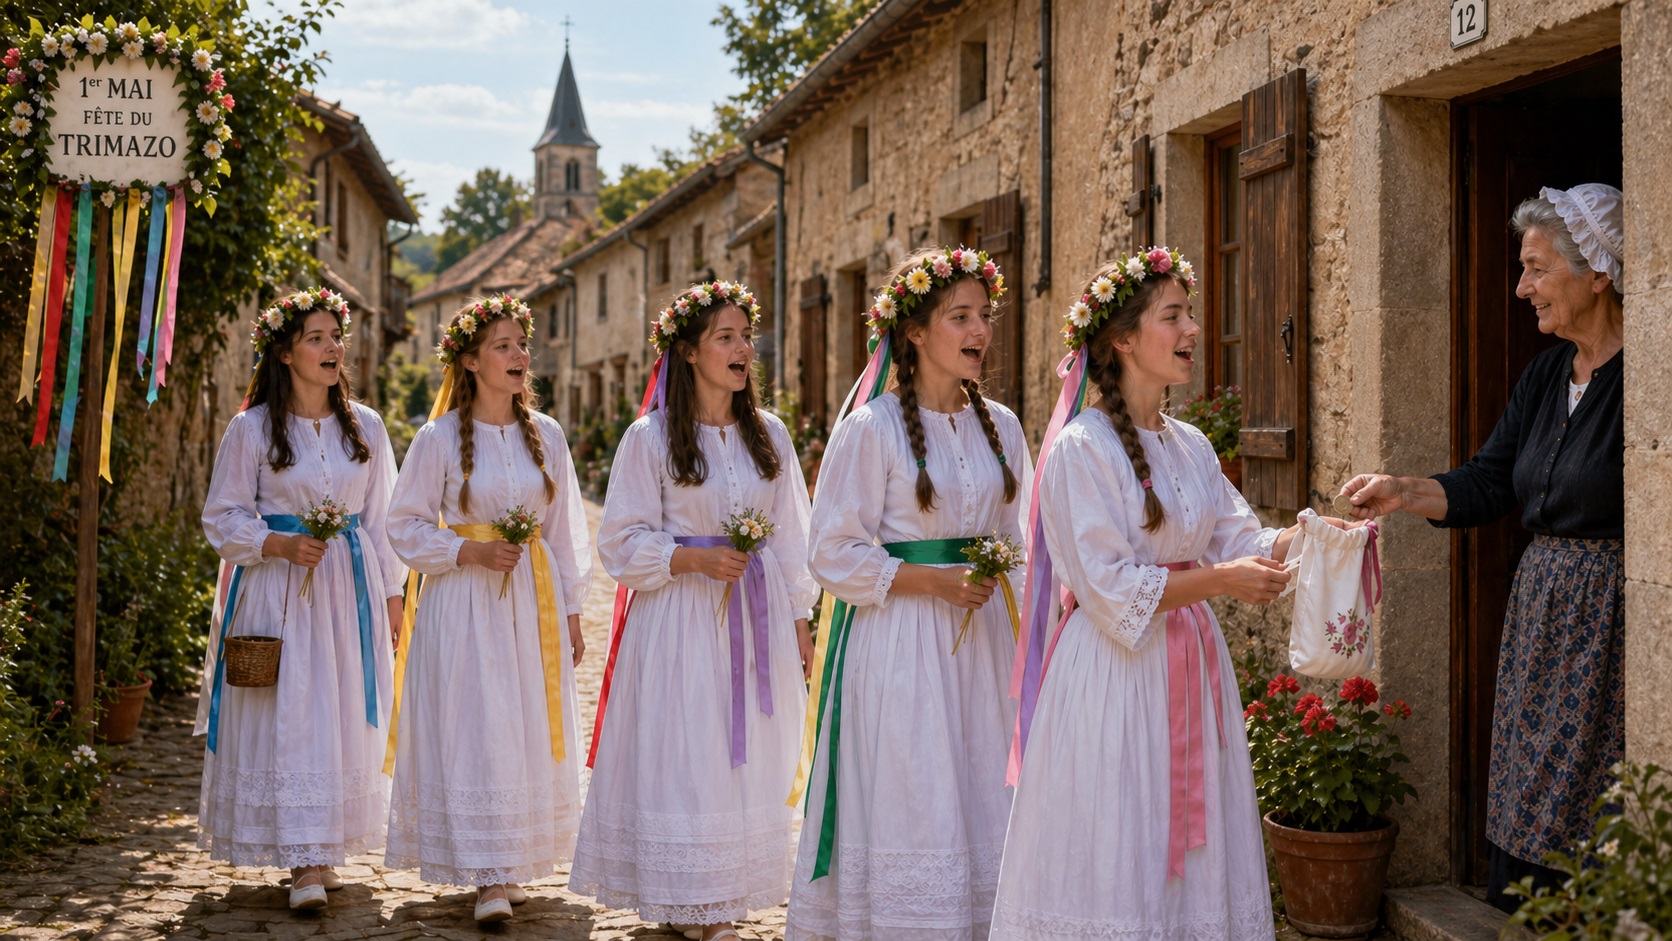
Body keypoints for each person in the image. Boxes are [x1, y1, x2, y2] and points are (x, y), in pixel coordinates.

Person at [993, 249, 1315, 940]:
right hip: (1115, 678)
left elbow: (1242, 538)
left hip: (1193, 674)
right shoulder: (1082, 449)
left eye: (1190, 313)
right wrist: (1220, 583)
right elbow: (1109, 591)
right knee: (1121, 827)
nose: (1193, 329)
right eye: (1174, 315)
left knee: (1190, 851)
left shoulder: (1192, 444)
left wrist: (1316, 535)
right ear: (1123, 339)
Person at [1342, 184, 1626, 912]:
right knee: (1530, 780)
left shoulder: (1645, 379)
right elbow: (1489, 483)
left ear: (1596, 270)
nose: (1522, 285)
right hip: (1539, 618)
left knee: (1599, 791)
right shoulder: (1544, 377)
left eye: (1536, 267)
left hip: (1612, 623)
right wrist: (1402, 490)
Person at [785, 247, 1031, 940]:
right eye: (960, 316)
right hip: (899, 648)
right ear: (915, 332)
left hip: (983, 648)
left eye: (985, 315)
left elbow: (1019, 540)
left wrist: (1008, 595)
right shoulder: (872, 429)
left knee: (983, 789)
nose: (980, 330)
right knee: (914, 792)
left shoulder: (1004, 427)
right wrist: (930, 580)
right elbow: (830, 551)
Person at [570, 281, 817, 941]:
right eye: (726, 337)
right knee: (690, 751)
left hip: (755, 618)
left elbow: (794, 533)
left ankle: (723, 891)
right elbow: (618, 540)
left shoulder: (770, 435)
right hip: (679, 621)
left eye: (746, 336)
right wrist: (688, 559)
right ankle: (688, 897)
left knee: (746, 758)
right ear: (688, 352)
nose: (743, 349)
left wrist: (800, 620)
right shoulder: (648, 438)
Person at [382, 295, 592, 923]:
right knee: (477, 718)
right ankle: (486, 872)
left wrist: (574, 611)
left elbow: (563, 529)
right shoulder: (439, 437)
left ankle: (509, 857)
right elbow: (404, 524)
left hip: (532, 600)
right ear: (470, 361)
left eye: (521, 345)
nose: (519, 355)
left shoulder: (547, 435)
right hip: (464, 599)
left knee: (523, 717)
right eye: (503, 346)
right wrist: (465, 554)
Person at [196, 287, 405, 911]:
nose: (333, 347)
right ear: (285, 353)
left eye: (336, 336)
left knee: (339, 709)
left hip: (349, 593)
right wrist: (273, 545)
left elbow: (383, 517)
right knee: (290, 710)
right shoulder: (252, 428)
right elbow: (222, 514)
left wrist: (392, 595)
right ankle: (302, 859)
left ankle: (322, 845)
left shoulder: (365, 426)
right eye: (317, 338)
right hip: (278, 588)